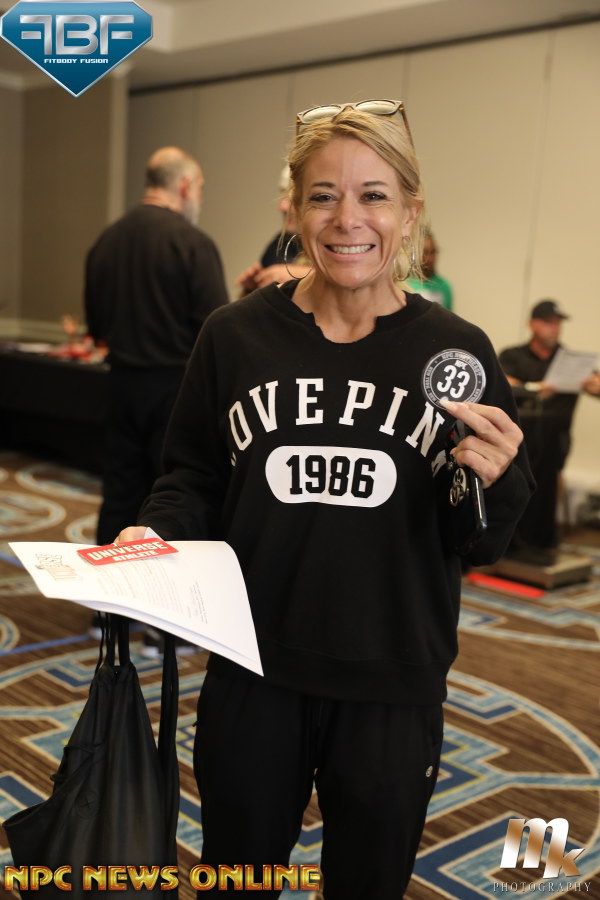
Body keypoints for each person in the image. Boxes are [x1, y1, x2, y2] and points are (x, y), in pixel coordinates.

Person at [116, 101, 533, 898]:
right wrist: (153, 533)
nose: (348, 219)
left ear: (409, 212)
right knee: (237, 881)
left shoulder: (459, 352)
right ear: (293, 210)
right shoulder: (234, 336)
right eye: (322, 196)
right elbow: (194, 478)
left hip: (393, 682)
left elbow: (481, 539)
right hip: (252, 668)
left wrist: (500, 479)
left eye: (374, 195)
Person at [84, 146, 229, 652]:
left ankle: (109, 613)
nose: (199, 197)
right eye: (200, 188)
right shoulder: (192, 243)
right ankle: (167, 629)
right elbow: (217, 330)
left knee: (120, 492)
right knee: (174, 500)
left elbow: (96, 325)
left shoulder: (106, 241)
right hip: (176, 390)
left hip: (120, 384)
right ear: (184, 186)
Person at [499, 299, 600, 559]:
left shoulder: (570, 361)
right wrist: (535, 388)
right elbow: (502, 381)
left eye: (558, 323)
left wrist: (593, 384)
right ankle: (510, 540)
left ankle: (543, 539)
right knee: (516, 481)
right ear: (533, 324)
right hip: (520, 438)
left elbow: (596, 385)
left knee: (548, 484)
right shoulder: (513, 355)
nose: (555, 328)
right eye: (548, 322)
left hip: (556, 438)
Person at [235, 165, 311, 295]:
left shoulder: (339, 247)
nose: (282, 207)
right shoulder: (280, 245)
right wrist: (253, 289)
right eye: (282, 196)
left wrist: (303, 277)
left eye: (291, 198)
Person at [405, 228, 453, 309]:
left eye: (433, 252)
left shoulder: (444, 285)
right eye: (426, 252)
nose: (430, 258)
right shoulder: (406, 284)